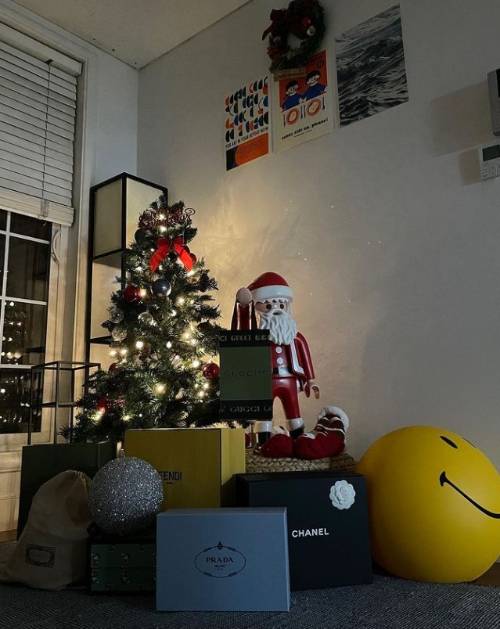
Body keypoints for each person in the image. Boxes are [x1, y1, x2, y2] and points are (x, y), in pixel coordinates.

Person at [232, 272, 347, 459]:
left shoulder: (295, 337)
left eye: (280, 304)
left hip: (290, 380)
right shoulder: (257, 336)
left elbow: (305, 356)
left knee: (294, 412)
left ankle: (298, 440)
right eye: (268, 305)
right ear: (258, 306)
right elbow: (243, 332)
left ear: (287, 306)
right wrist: (244, 307)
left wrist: (311, 380)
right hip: (265, 380)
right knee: (264, 414)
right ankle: (263, 443)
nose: (275, 309)